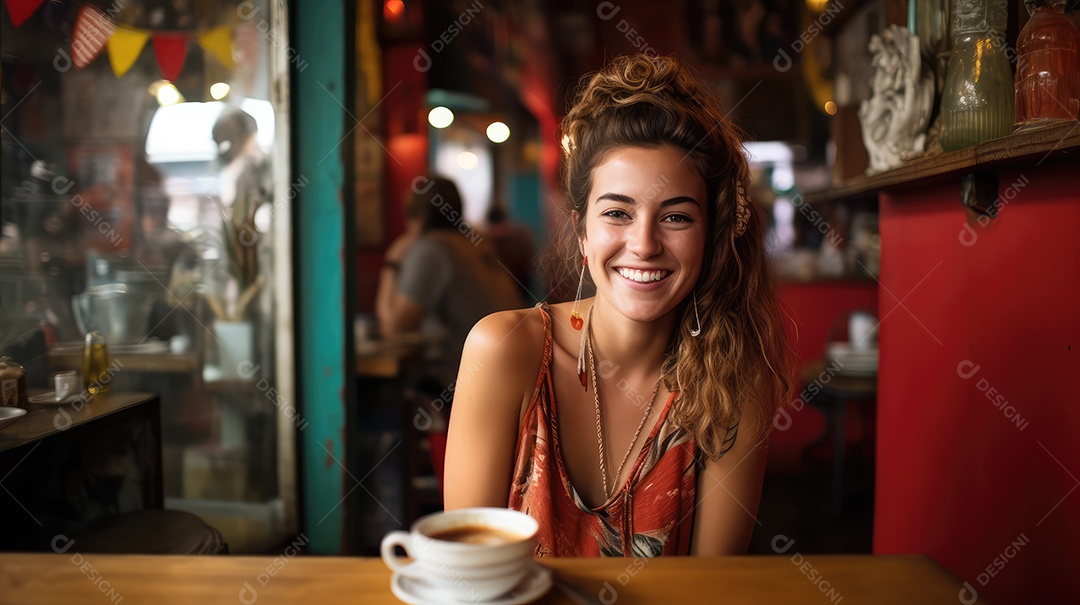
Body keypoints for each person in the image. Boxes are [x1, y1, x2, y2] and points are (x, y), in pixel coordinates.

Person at [443, 53, 792, 557]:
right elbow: (466, 573)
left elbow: (712, 589)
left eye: (676, 217)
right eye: (617, 213)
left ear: (711, 238)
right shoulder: (504, 350)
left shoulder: (733, 381)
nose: (644, 244)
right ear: (582, 232)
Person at [377, 176, 523, 405]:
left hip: (469, 387)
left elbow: (393, 328)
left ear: (418, 218)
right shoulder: (478, 243)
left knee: (383, 400)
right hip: (511, 377)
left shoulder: (430, 250)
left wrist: (391, 264)